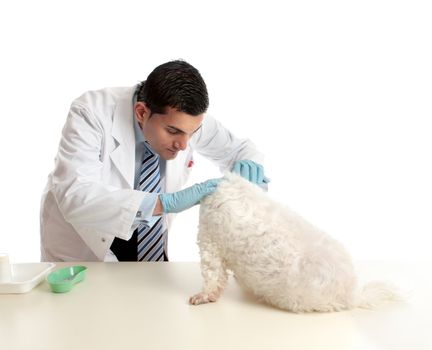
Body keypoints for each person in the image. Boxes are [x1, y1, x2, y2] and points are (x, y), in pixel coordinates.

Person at [40, 60, 268, 262]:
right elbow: (75, 195)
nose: (184, 144)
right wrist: (163, 203)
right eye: (173, 131)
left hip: (150, 255)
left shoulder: (186, 120)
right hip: (85, 252)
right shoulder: (91, 112)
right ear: (141, 112)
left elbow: (239, 149)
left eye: (193, 132)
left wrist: (249, 168)